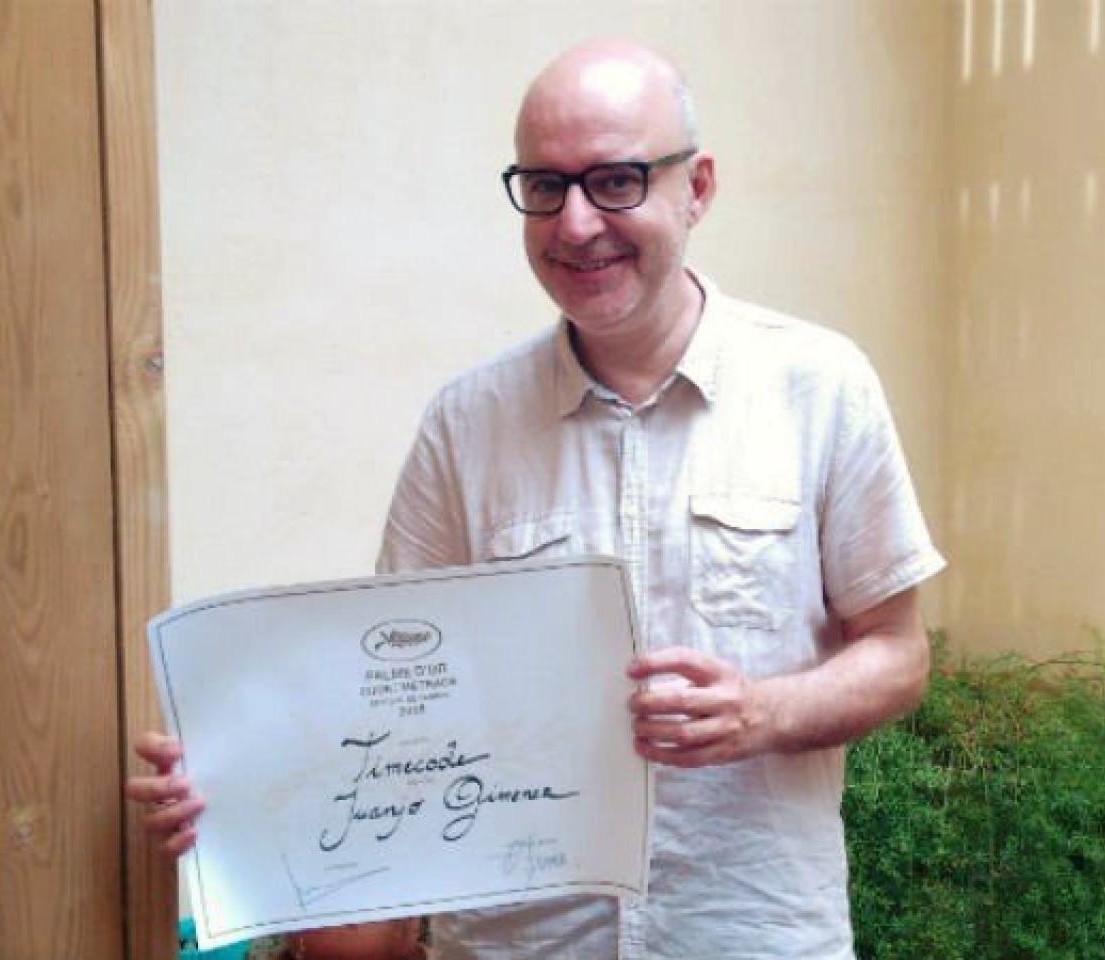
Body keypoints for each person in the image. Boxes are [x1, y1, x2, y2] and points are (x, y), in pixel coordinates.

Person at [129, 38, 944, 960]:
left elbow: (897, 651)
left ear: (699, 187)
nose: (577, 223)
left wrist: (765, 712)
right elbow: (391, 703)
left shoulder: (820, 385)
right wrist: (245, 782)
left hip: (751, 934)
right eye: (546, 187)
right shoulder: (465, 423)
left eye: (617, 180)